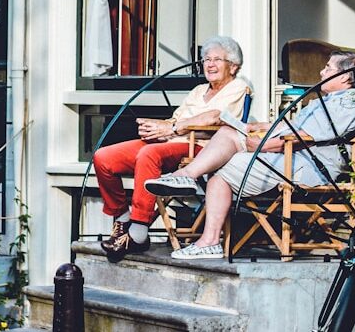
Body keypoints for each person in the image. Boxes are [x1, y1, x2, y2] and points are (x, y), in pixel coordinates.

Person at [144, 50, 355, 259]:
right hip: (290, 158)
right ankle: (187, 178)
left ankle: (208, 238)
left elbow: (302, 137)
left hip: (305, 167)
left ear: (345, 77)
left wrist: (260, 145)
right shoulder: (326, 101)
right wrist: (261, 126)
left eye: (328, 68)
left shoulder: (348, 103)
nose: (322, 71)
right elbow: (293, 127)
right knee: (228, 132)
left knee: (221, 169)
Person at [93, 36, 249, 262]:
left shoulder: (238, 87)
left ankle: (138, 231)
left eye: (217, 59)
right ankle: (123, 217)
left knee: (148, 154)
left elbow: (215, 117)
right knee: (103, 157)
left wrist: (172, 129)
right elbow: (174, 120)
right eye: (206, 59)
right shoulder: (197, 90)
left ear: (233, 66)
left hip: (200, 148)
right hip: (171, 141)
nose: (210, 64)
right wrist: (155, 128)